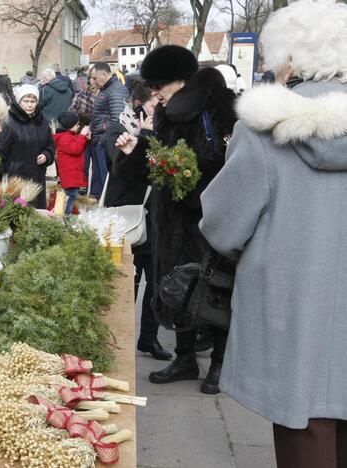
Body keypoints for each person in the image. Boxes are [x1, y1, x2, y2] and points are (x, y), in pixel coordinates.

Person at [199, 1, 347, 465]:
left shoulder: (265, 129)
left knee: (305, 436)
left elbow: (221, 225)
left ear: (289, 58)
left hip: (293, 320)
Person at [115, 45, 237, 394]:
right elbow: (161, 159)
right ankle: (184, 359)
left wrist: (189, 177)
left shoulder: (218, 106)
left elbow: (233, 162)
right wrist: (135, 152)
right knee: (177, 289)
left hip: (209, 219)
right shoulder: (168, 113)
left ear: (180, 82)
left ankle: (219, 364)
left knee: (215, 291)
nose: (154, 95)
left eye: (158, 87)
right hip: (171, 219)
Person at [103, 84, 171, 361]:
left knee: (155, 284)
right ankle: (117, 340)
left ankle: (149, 339)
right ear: (138, 104)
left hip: (154, 220)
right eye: (155, 104)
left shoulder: (164, 133)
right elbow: (127, 171)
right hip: (126, 219)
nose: (160, 109)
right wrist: (144, 136)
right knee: (125, 285)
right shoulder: (117, 132)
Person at [0, 84, 55, 209]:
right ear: (19, 101)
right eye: (26, 101)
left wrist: (47, 155)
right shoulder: (9, 121)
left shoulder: (42, 121)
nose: (30, 104)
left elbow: (50, 144)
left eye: (33, 101)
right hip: (15, 178)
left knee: (35, 215)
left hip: (36, 178)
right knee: (15, 213)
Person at [91, 61, 130, 200]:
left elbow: (117, 120)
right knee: (102, 178)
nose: (93, 81)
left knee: (106, 178)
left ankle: (107, 206)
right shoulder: (106, 89)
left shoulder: (116, 90)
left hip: (106, 141)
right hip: (100, 139)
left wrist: (102, 140)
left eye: (95, 78)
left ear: (104, 74)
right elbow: (100, 115)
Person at [53, 111, 90, 214]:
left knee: (72, 195)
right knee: (70, 196)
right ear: (69, 125)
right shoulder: (64, 138)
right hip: (70, 174)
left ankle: (66, 214)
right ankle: (66, 216)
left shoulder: (69, 135)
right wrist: (82, 135)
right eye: (77, 124)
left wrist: (85, 139)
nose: (78, 126)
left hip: (73, 173)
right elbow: (76, 149)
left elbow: (79, 147)